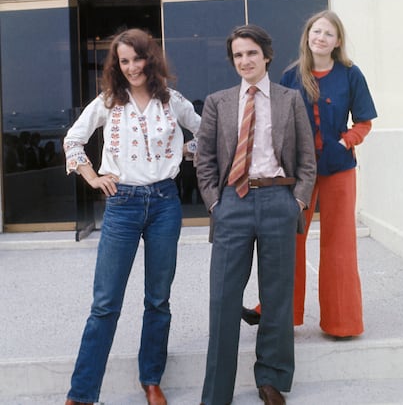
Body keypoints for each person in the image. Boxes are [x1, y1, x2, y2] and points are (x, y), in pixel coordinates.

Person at [63, 28, 201, 405]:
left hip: (164, 204)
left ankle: (151, 380)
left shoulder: (173, 101)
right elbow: (73, 139)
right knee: (105, 304)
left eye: (137, 58)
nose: (131, 67)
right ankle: (81, 394)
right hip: (121, 206)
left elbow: (206, 133)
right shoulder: (108, 101)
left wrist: (182, 152)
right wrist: (92, 176)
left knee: (158, 299)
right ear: (117, 65)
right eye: (123, 61)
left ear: (150, 58)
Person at [196, 24, 316, 405]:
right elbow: (205, 160)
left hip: (278, 200)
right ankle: (217, 392)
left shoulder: (290, 99)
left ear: (266, 55)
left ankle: (271, 379)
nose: (244, 61)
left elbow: (307, 160)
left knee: (278, 296)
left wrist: (296, 201)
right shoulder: (218, 101)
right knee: (224, 299)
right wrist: (216, 202)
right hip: (233, 202)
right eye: (237, 55)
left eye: (251, 53)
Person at [242, 10, 377, 339]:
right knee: (289, 240)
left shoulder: (351, 74)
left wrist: (347, 142)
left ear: (337, 41)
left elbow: (364, 121)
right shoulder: (290, 75)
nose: (321, 37)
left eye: (329, 34)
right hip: (297, 172)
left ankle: (342, 323)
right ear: (307, 36)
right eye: (316, 31)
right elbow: (275, 122)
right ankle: (279, 313)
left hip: (339, 170)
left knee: (339, 244)